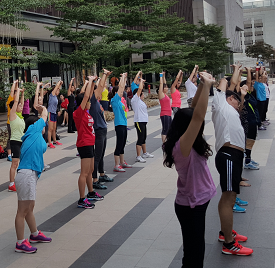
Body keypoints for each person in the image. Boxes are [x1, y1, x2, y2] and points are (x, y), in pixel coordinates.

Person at [163, 72, 216, 268]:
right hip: (191, 205)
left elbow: (194, 111)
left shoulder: (184, 141)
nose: (198, 125)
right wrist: (209, 85)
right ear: (187, 127)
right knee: (194, 254)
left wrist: (202, 84)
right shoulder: (182, 147)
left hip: (195, 202)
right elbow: (199, 116)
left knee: (194, 250)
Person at [212, 63, 253, 256]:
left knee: (231, 196)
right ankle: (229, 244)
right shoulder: (220, 104)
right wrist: (233, 72)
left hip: (234, 156)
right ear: (228, 98)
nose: (239, 104)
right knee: (228, 197)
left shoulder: (230, 111)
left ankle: (225, 233)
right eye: (236, 101)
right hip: (228, 154)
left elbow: (234, 86)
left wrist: (238, 69)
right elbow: (228, 84)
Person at [14, 105, 52, 254]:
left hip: (30, 175)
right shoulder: (33, 131)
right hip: (27, 175)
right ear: (34, 125)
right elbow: (44, 116)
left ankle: (34, 234)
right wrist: (43, 108)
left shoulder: (33, 136)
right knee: (22, 211)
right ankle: (20, 243)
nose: (43, 125)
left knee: (29, 208)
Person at [73, 77, 104, 209]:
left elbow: (89, 95)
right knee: (84, 173)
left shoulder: (86, 112)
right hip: (84, 144)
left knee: (91, 170)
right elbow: (86, 95)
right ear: (82, 103)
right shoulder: (78, 113)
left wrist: (94, 84)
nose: (90, 102)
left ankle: (91, 193)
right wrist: (90, 81)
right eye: (87, 101)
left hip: (90, 143)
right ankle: (81, 199)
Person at [89, 70, 114, 190]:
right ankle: (95, 180)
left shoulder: (97, 102)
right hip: (98, 132)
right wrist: (104, 75)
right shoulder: (92, 101)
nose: (102, 91)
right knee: (97, 156)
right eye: (99, 90)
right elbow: (99, 87)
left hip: (102, 131)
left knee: (101, 154)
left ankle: (102, 174)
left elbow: (101, 87)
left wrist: (105, 77)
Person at [108, 73, 132, 172]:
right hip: (119, 125)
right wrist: (123, 78)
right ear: (115, 92)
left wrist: (124, 78)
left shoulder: (120, 101)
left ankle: (122, 162)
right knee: (119, 144)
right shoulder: (114, 100)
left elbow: (122, 88)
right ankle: (116, 165)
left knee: (123, 144)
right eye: (120, 91)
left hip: (124, 124)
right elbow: (121, 87)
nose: (122, 92)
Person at [131, 77, 154, 163]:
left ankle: (144, 153)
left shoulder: (140, 101)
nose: (143, 95)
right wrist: (141, 81)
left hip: (143, 121)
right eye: (142, 94)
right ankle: (138, 156)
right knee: (140, 138)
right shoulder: (135, 100)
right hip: (139, 121)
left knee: (144, 137)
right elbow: (140, 89)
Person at [8, 82, 25, 192]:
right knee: (15, 163)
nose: (21, 106)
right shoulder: (13, 115)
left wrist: (22, 93)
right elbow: (16, 102)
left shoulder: (20, 116)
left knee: (20, 162)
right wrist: (17, 91)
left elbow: (21, 102)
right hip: (15, 141)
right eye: (19, 105)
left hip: (21, 141)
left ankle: (18, 181)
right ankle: (11, 184)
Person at [47, 81, 63, 148]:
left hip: (54, 113)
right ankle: (50, 142)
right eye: (57, 90)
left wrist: (60, 85)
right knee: (50, 129)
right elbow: (56, 88)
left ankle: (54, 140)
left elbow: (57, 88)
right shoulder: (52, 95)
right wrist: (58, 83)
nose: (58, 91)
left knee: (54, 128)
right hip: (50, 112)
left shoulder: (56, 97)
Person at [157, 72, 172, 143]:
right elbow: (161, 84)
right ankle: (164, 143)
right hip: (164, 114)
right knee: (165, 129)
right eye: (165, 87)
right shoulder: (161, 94)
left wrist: (164, 76)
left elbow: (164, 83)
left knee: (170, 128)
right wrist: (160, 76)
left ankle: (168, 141)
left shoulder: (165, 94)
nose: (167, 88)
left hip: (168, 114)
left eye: (167, 87)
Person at [6, 81, 17, 162]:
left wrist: (17, 84)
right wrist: (14, 83)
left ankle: (14, 152)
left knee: (16, 137)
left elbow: (15, 91)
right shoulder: (10, 101)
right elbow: (12, 91)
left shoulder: (16, 102)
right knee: (10, 138)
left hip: (15, 122)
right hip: (10, 123)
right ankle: (9, 155)